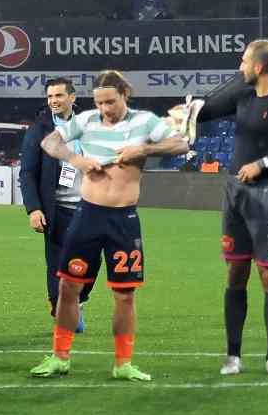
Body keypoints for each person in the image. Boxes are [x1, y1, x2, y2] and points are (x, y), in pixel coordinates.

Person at [30, 71, 189, 382]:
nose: (104, 109)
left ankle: (123, 363)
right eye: (100, 102)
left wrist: (143, 150)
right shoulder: (86, 120)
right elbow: (50, 142)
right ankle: (60, 357)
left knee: (125, 295)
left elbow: (180, 144)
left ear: (124, 95)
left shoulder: (144, 122)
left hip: (123, 219)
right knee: (68, 287)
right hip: (87, 215)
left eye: (110, 102)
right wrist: (75, 159)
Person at [184, 40, 268, 377]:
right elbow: (207, 110)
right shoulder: (242, 96)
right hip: (235, 193)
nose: (239, 68)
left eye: (243, 62)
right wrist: (188, 110)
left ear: (258, 67)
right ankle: (233, 356)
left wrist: (264, 163)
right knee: (235, 272)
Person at [19, 77, 92, 334]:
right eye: (50, 97)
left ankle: (78, 302)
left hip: (89, 207)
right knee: (58, 264)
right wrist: (34, 208)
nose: (53, 101)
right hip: (56, 209)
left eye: (59, 96)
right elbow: (27, 173)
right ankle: (61, 309)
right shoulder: (39, 130)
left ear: (72, 98)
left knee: (89, 262)